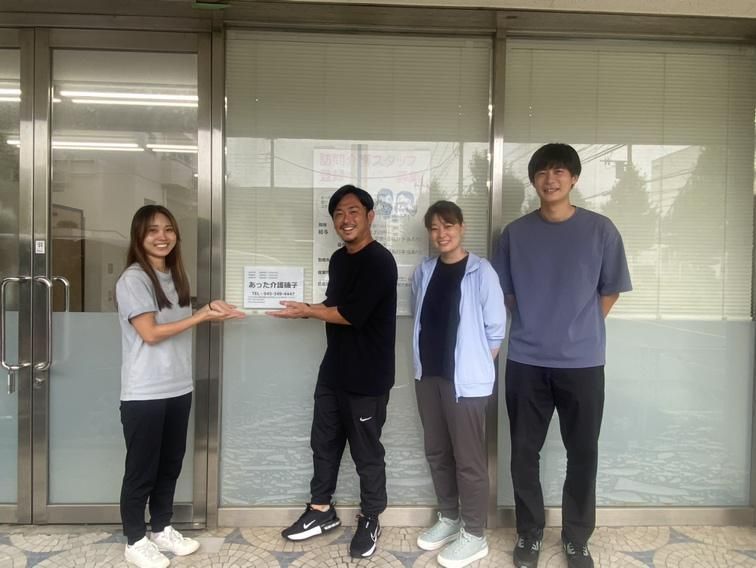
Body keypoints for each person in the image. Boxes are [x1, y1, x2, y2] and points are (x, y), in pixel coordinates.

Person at [493, 144, 632, 568]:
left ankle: (576, 537)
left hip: (583, 363)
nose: (550, 179)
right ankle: (530, 532)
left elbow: (609, 291)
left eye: (559, 171)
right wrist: (542, 325)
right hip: (526, 361)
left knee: (583, 453)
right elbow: (507, 295)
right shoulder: (514, 235)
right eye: (542, 172)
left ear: (573, 178)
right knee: (523, 453)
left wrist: (577, 328)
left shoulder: (601, 230)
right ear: (533, 181)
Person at [268, 184, 398, 559]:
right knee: (323, 443)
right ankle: (321, 510)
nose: (345, 219)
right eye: (339, 213)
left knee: (366, 453)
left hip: (367, 377)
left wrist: (308, 311)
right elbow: (334, 304)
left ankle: (371, 517)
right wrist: (308, 308)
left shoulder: (380, 261)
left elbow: (352, 314)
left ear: (370, 216)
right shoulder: (340, 259)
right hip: (334, 371)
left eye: (353, 211)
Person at [116, 205, 244, 568]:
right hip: (144, 392)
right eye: (153, 230)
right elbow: (150, 333)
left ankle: (161, 528)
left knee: (170, 464)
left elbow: (176, 321)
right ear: (139, 236)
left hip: (177, 387)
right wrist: (200, 316)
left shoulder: (173, 276)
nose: (162, 237)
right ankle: (134, 540)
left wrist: (209, 308)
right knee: (142, 470)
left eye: (168, 229)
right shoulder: (133, 279)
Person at [411, 201, 506, 568]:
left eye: (448, 226)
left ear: (462, 227)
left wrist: (475, 368)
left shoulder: (481, 272)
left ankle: (475, 534)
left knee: (468, 460)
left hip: (465, 384)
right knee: (437, 451)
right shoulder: (425, 271)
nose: (441, 234)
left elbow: (495, 331)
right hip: (428, 376)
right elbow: (420, 317)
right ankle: (449, 517)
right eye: (434, 228)